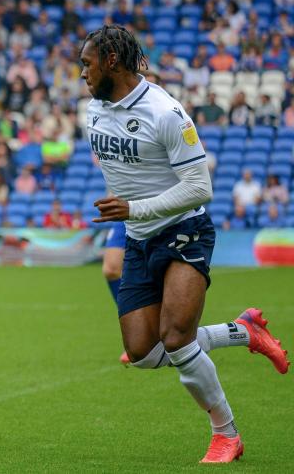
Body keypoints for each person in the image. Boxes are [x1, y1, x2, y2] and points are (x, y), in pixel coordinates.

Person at [81, 25, 289, 464]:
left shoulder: (167, 112)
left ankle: (226, 433)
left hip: (183, 231)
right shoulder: (93, 110)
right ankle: (243, 330)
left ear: (112, 62)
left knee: (177, 340)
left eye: (88, 63)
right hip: (138, 240)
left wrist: (136, 209)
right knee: (142, 354)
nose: (83, 72)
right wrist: (131, 217)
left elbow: (200, 187)